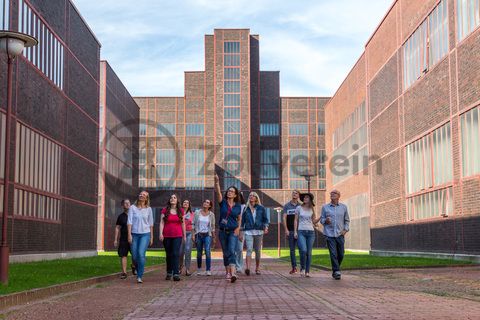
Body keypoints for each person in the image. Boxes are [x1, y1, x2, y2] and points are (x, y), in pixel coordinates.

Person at [214, 173, 242, 283]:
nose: (229, 192)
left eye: (231, 191)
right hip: (222, 231)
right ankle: (228, 272)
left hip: (232, 231)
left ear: (235, 195)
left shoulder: (238, 206)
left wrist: (238, 228)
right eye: (228, 191)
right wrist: (217, 182)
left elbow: (239, 218)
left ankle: (233, 273)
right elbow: (218, 193)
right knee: (226, 252)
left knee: (231, 250)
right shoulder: (223, 203)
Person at [320, 189, 350, 280]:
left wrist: (345, 230)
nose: (332, 194)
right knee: (333, 253)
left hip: (340, 234)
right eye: (331, 193)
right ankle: (337, 271)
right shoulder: (325, 207)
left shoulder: (343, 207)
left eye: (334, 193)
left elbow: (347, 220)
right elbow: (321, 220)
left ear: (338, 196)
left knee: (341, 254)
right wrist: (326, 221)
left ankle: (335, 270)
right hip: (329, 234)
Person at [127, 191, 154, 284]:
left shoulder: (149, 209)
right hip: (134, 234)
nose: (141, 195)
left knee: (141, 254)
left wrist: (151, 236)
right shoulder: (132, 208)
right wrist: (129, 234)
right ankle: (137, 267)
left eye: (144, 195)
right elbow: (129, 222)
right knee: (134, 256)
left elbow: (151, 224)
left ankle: (139, 275)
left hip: (145, 234)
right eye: (140, 194)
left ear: (146, 198)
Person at [160, 194, 186, 282]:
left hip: (177, 235)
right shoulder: (164, 210)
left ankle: (176, 273)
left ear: (177, 200)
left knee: (175, 253)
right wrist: (160, 233)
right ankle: (169, 272)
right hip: (166, 235)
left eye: (174, 198)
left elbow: (183, 224)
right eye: (171, 197)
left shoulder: (181, 211)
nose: (172, 199)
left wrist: (184, 235)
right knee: (169, 254)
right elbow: (161, 223)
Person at [241, 192, 269, 276]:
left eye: (253, 196)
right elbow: (242, 222)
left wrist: (266, 226)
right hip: (248, 231)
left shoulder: (261, 208)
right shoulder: (245, 209)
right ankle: (248, 268)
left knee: (257, 250)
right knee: (249, 249)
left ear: (256, 198)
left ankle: (257, 268)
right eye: (250, 196)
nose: (251, 197)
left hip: (259, 231)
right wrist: (241, 232)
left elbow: (265, 220)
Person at [294, 192, 320, 278]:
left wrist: (320, 218)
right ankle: (302, 268)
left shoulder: (311, 209)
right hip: (301, 231)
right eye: (304, 197)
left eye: (307, 198)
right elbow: (296, 220)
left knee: (309, 253)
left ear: (310, 200)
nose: (305, 199)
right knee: (303, 250)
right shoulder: (298, 208)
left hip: (311, 233)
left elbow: (314, 222)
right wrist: (295, 231)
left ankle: (307, 271)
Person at [114, 199, 137, 279]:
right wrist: (115, 240)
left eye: (128, 203)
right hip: (123, 238)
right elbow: (117, 228)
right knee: (123, 255)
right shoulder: (120, 217)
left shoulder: (134, 215)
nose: (127, 204)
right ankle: (124, 273)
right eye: (125, 203)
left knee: (135, 255)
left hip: (133, 237)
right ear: (122, 206)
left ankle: (134, 266)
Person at [192, 199, 215, 276]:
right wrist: (193, 235)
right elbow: (193, 224)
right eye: (205, 202)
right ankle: (199, 269)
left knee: (207, 251)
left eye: (208, 202)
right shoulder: (197, 212)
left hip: (207, 235)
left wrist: (214, 237)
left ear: (210, 206)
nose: (205, 203)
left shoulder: (211, 215)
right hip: (198, 234)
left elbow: (213, 227)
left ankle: (208, 270)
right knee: (199, 253)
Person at [283, 190, 301, 274]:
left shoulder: (301, 206)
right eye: (293, 193)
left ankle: (303, 267)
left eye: (296, 193)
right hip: (290, 231)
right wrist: (286, 229)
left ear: (299, 195)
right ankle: (294, 267)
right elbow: (284, 218)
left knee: (302, 249)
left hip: (300, 231)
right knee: (292, 250)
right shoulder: (287, 206)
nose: (294, 194)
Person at [179, 199, 194, 276]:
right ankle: (180, 267)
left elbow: (194, 225)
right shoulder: (179, 212)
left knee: (188, 250)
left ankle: (187, 269)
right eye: (184, 202)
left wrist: (194, 234)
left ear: (189, 205)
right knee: (180, 252)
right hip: (180, 233)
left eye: (187, 203)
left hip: (189, 233)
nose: (185, 203)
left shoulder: (192, 214)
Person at [235, 193, 246, 273]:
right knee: (232, 249)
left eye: (239, 196)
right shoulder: (232, 206)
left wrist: (241, 232)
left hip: (241, 229)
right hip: (232, 229)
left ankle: (239, 266)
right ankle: (233, 265)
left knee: (239, 249)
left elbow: (245, 220)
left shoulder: (244, 207)